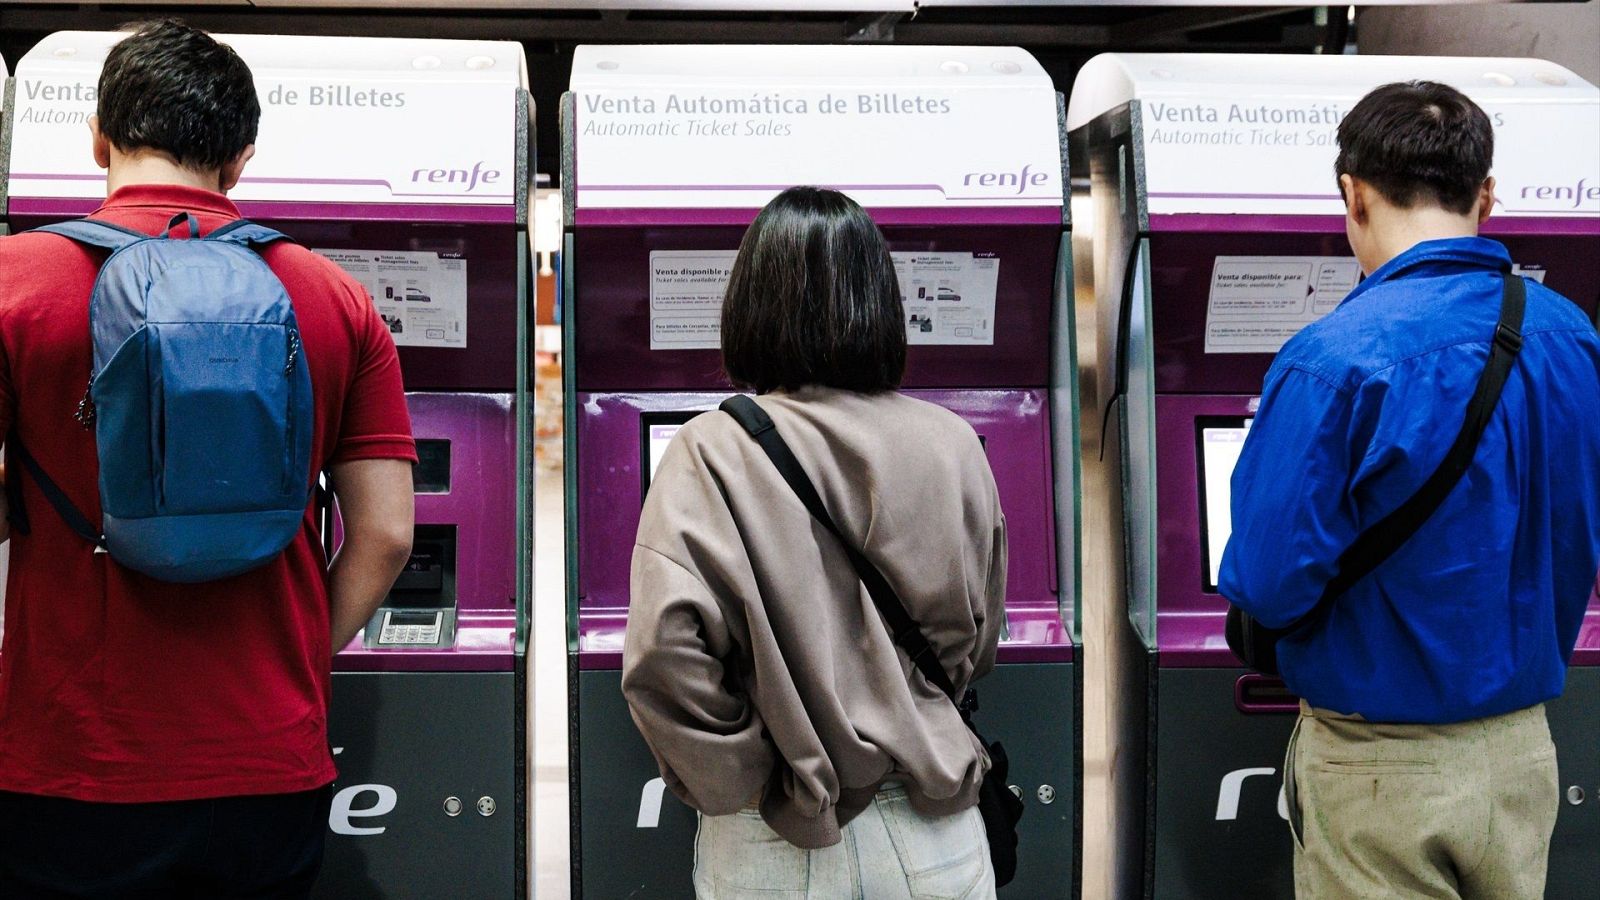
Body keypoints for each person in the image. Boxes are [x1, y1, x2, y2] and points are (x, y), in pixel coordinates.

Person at [0, 20, 417, 897]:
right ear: (240, 160)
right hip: (267, 756)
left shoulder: (15, 282)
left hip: (72, 759)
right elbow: (383, 534)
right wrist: (304, 654)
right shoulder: (334, 297)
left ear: (100, 139)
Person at [1220, 80, 1600, 900]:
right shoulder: (1573, 336)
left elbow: (1270, 579)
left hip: (1380, 766)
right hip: (1523, 754)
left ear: (1352, 194)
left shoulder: (1333, 359)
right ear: (1486, 194)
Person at [622, 187, 1005, 899]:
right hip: (938, 832)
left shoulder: (711, 451)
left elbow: (663, 653)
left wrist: (743, 779)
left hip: (782, 842)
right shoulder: (954, 443)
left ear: (750, 303)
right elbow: (979, 641)